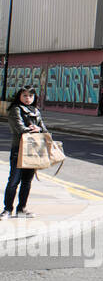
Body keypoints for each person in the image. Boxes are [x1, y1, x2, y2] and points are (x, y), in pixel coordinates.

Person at [4, 86, 48, 218]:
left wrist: (38, 129)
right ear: (19, 96)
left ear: (34, 98)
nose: (27, 98)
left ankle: (21, 209)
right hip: (19, 149)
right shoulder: (15, 109)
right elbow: (18, 128)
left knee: (27, 181)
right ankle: (7, 209)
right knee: (14, 181)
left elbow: (44, 130)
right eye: (24, 95)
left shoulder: (36, 111)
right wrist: (33, 129)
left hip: (33, 150)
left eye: (30, 96)